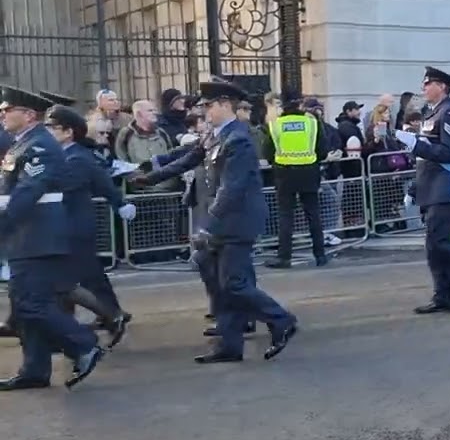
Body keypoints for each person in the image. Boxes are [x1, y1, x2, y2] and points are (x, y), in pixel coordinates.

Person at [136, 78, 299, 363]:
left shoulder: (238, 138)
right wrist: (149, 177)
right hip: (225, 221)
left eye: (209, 106)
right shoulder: (216, 134)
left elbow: (232, 188)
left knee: (234, 283)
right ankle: (229, 344)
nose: (204, 111)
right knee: (221, 281)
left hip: (237, 221)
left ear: (225, 104)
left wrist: (207, 225)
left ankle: (282, 319)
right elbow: (188, 159)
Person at [0, 86, 105, 390]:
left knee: (33, 304)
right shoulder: (22, 144)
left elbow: (28, 192)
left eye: (8, 110)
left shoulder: (40, 146)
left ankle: (84, 343)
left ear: (29, 114)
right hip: (25, 237)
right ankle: (34, 369)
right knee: (23, 307)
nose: (3, 115)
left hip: (38, 237)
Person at [46, 104, 134, 347]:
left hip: (75, 230)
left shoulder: (76, 159)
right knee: (74, 281)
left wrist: (120, 203)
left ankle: (111, 315)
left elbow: (95, 183)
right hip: (66, 229)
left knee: (80, 280)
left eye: (53, 128)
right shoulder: (65, 156)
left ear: (68, 133)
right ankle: (90, 322)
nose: (48, 132)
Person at [397, 66, 450, 313]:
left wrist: (415, 145)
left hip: (447, 185)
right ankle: (442, 295)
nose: (423, 88)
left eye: (428, 84)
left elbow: (448, 153)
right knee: (433, 246)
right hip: (431, 186)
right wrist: (415, 187)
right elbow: (426, 158)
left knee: (440, 242)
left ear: (442, 87)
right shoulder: (431, 113)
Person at [262, 91, 329, 269]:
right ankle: (320, 255)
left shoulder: (275, 125)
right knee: (313, 214)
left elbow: (267, 152)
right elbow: (322, 149)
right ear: (300, 105)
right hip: (309, 172)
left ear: (282, 107)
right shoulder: (312, 123)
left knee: (286, 217)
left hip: (284, 174)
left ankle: (284, 257)